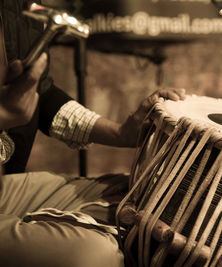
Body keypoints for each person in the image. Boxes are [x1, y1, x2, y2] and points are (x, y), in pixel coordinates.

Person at [0, 1, 186, 266]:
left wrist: (120, 132)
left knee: (138, 195)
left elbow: (41, 94)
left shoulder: (19, 7)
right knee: (96, 253)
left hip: (5, 186)